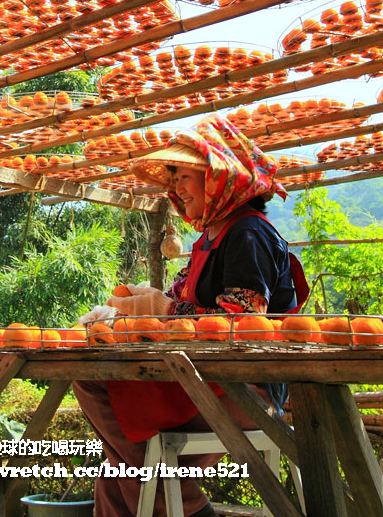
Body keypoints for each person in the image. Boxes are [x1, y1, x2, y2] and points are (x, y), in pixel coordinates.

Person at [73, 115, 308, 517]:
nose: (176, 187)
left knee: (97, 389)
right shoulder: (210, 236)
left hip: (245, 388)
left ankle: (190, 505)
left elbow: (241, 321)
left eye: (185, 175)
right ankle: (169, 484)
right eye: (174, 177)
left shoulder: (248, 233)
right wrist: (145, 302)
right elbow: (181, 303)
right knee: (114, 469)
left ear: (218, 177)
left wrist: (159, 310)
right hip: (202, 378)